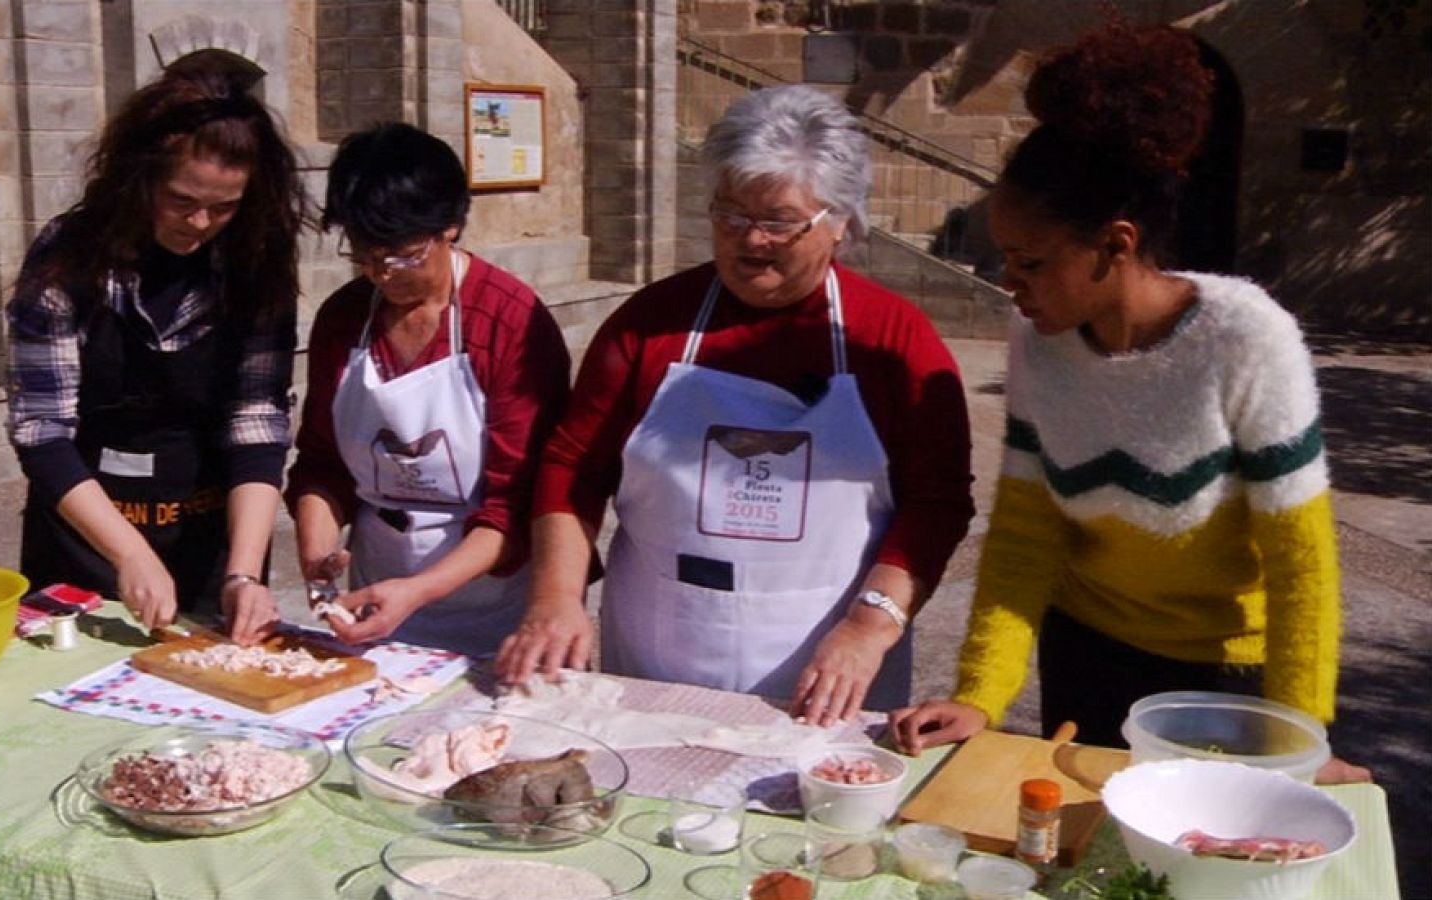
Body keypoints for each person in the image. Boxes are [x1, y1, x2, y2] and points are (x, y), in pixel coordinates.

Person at [887, 21, 1370, 783]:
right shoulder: (1039, 344)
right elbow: (1024, 537)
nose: (1010, 285)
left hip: (1223, 677)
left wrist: (1298, 736)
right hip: (1087, 654)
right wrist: (979, 694)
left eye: (1029, 262)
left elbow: (1300, 562)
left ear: (1115, 244)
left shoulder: (1245, 337)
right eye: (1004, 258)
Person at [496, 85, 975, 725]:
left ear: (839, 222)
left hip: (828, 662)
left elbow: (937, 503)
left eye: (778, 221)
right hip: (661, 645)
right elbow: (573, 466)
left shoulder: (891, 338)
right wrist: (555, 597)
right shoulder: (650, 324)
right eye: (730, 214)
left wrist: (871, 627)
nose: (751, 240)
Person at [6, 67, 306, 645]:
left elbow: (257, 419)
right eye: (181, 200)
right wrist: (131, 553)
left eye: (224, 207)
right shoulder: (68, 259)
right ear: (139, 177)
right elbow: (42, 430)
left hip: (209, 532)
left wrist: (245, 573)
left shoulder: (255, 263)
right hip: (83, 530)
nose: (200, 223)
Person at [284, 123, 572, 658]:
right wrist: (317, 557)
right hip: (375, 587)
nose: (382, 274)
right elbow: (322, 463)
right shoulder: (344, 318)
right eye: (364, 256)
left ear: (451, 227)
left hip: (490, 603)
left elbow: (517, 501)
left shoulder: (508, 320)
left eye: (404, 256)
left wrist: (418, 591)